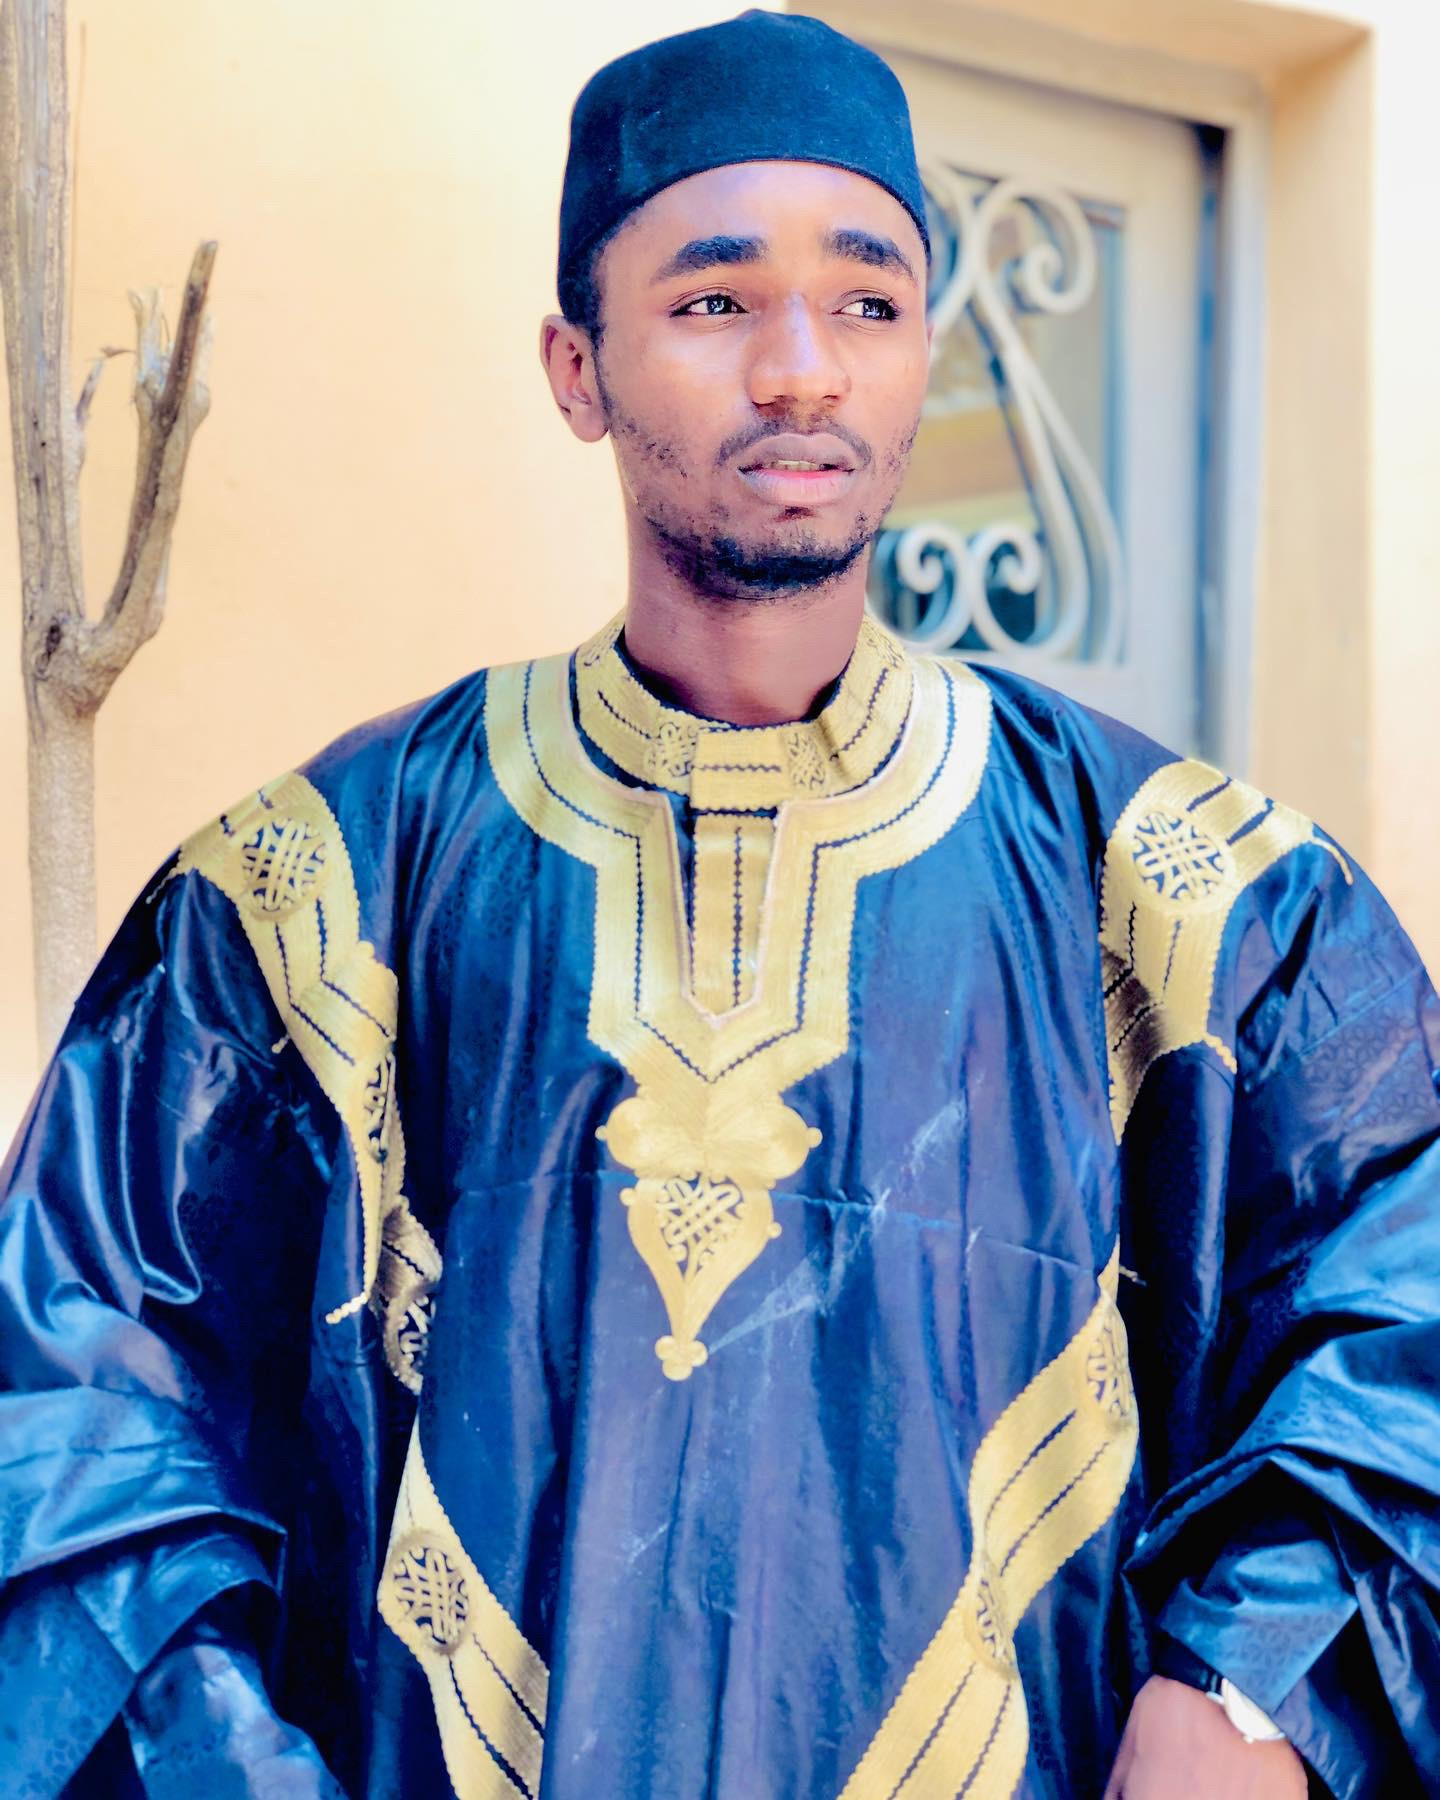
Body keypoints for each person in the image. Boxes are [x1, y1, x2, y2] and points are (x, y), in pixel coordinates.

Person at [1, 12, 1437, 1798]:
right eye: (713, 300)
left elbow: (1401, 1289)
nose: (802, 370)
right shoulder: (319, 888)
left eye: (868, 300)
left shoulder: (1187, 892)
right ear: (576, 366)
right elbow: (75, 1409)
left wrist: (1249, 1685)